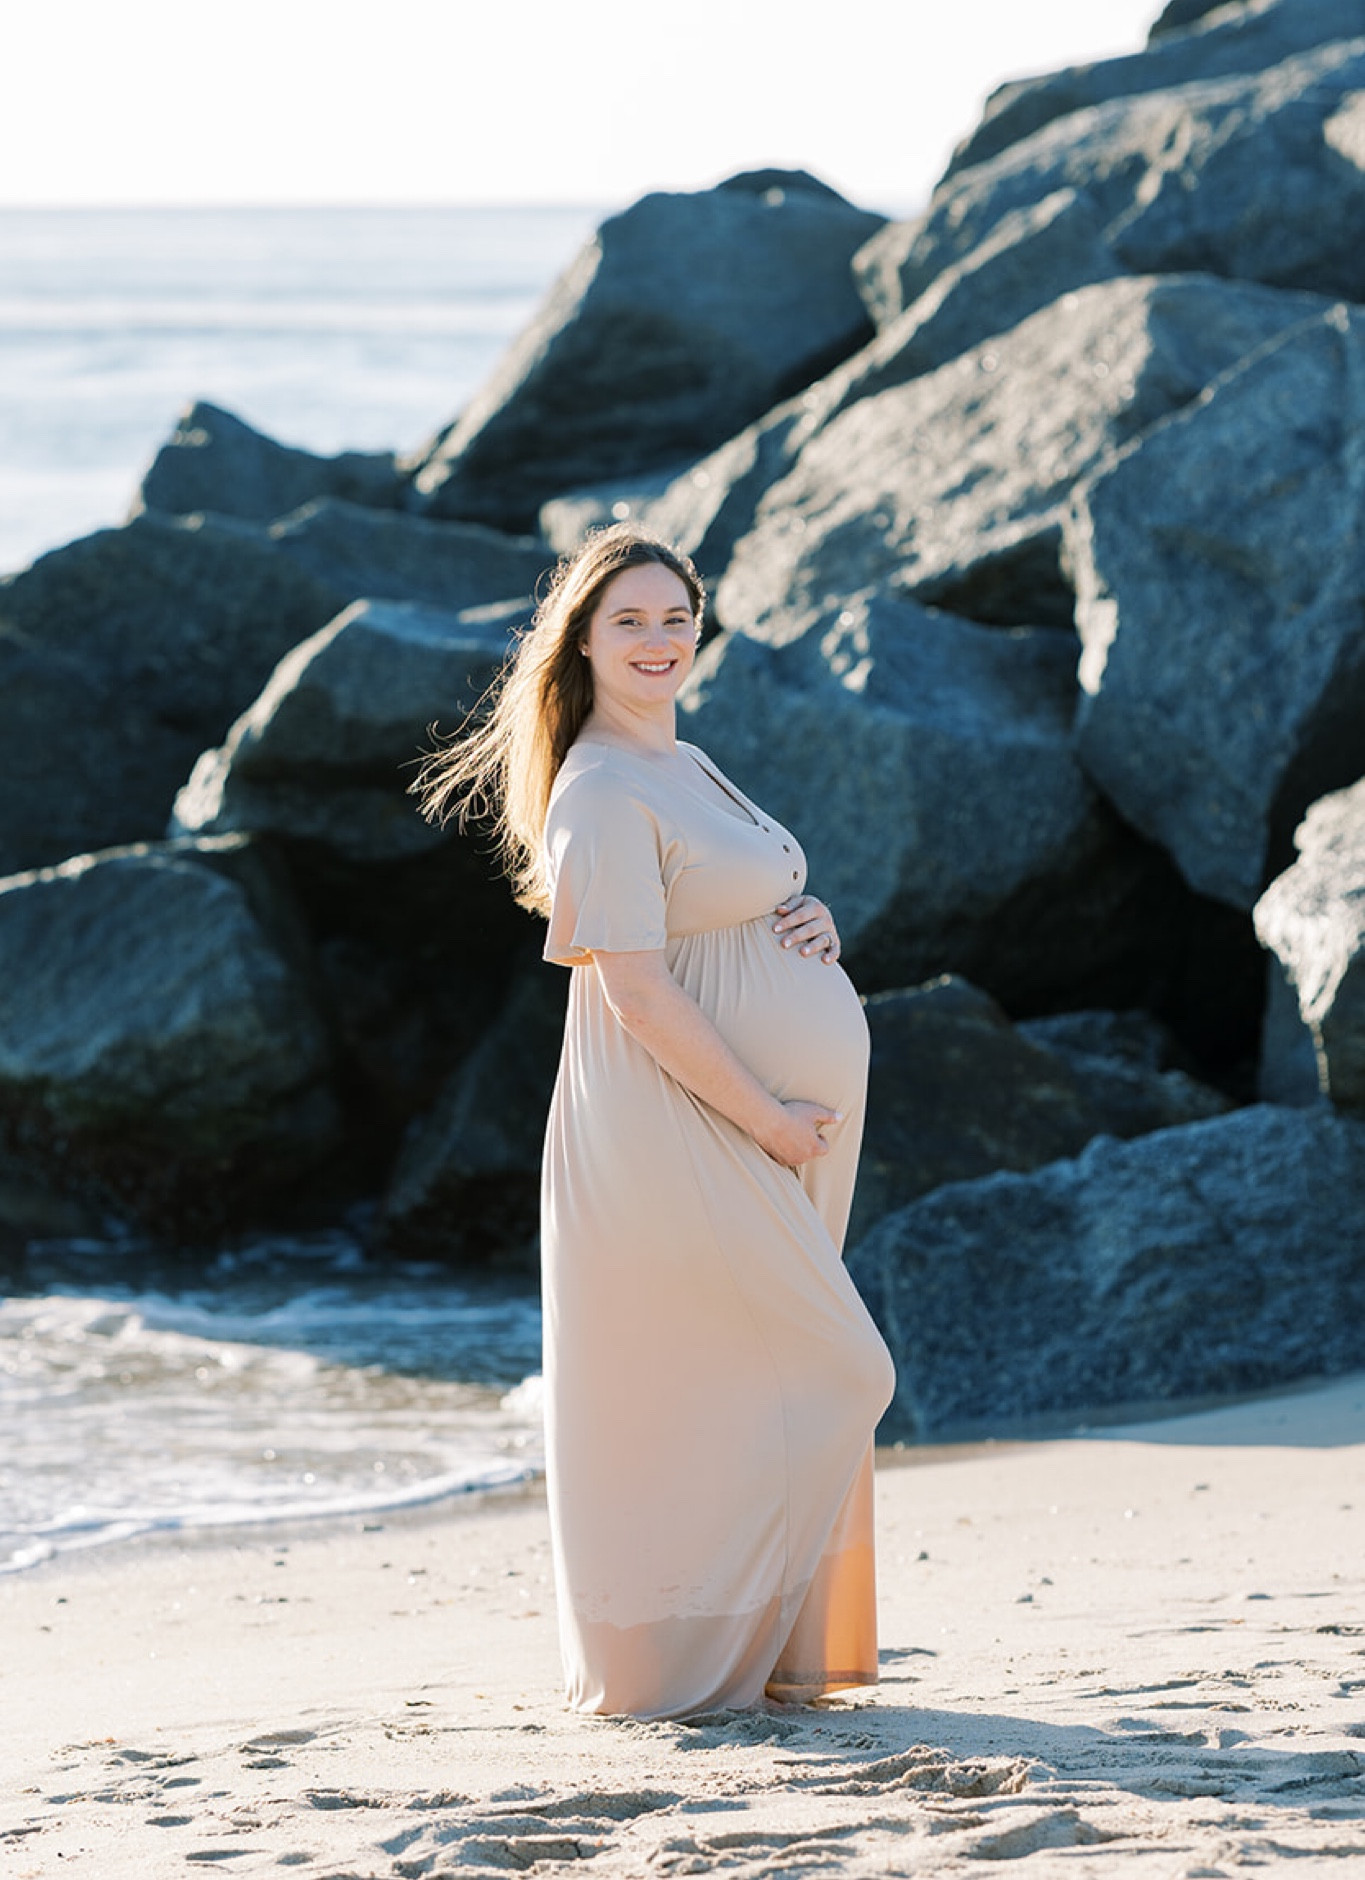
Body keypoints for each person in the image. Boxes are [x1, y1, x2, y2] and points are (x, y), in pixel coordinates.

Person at [416, 524, 895, 1719]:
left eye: (676, 618)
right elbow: (634, 990)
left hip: (758, 1122)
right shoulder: (599, 788)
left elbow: (731, 899)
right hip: (688, 1121)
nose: (659, 640)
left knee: (741, 1378)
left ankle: (765, 1654)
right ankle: (671, 1662)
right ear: (580, 637)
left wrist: (808, 913)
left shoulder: (681, 759)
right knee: (834, 1364)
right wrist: (772, 1119)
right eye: (629, 619)